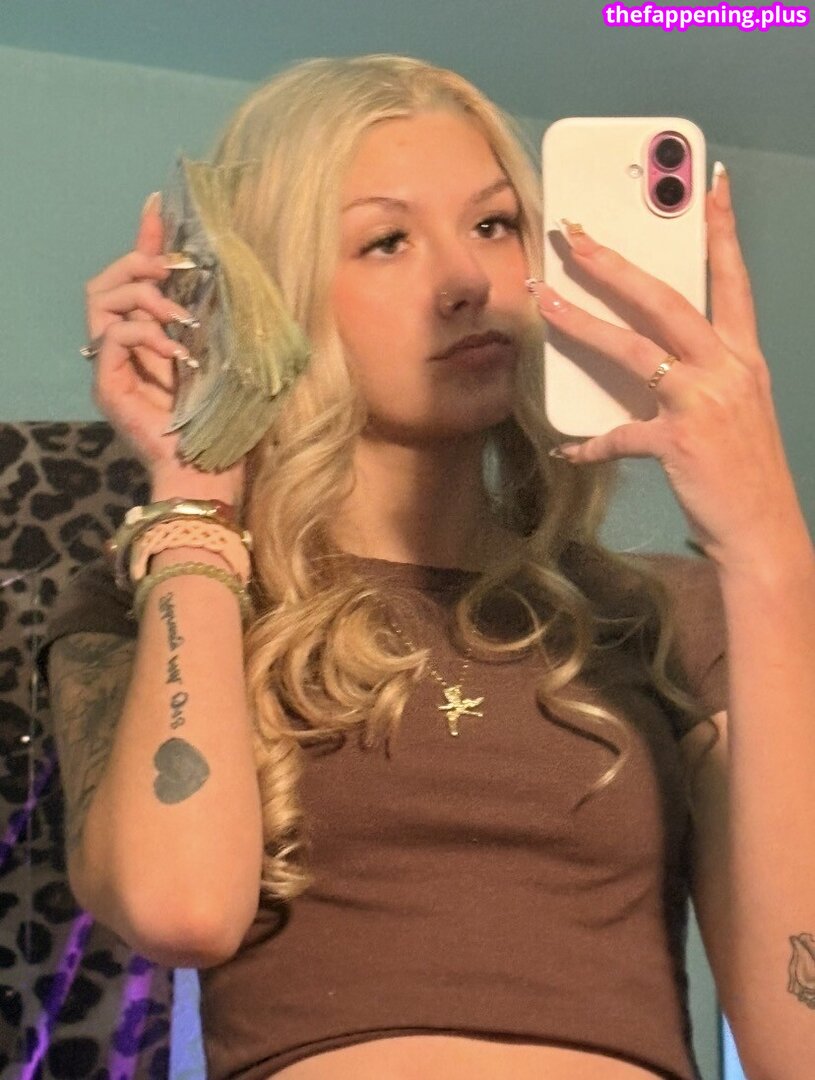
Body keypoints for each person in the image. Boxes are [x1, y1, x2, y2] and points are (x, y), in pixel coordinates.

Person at [41, 55, 815, 1080]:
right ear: (268, 297)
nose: (466, 281)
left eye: (492, 224)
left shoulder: (662, 614)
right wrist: (195, 488)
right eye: (386, 240)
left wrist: (764, 545)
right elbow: (179, 909)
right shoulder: (169, 603)